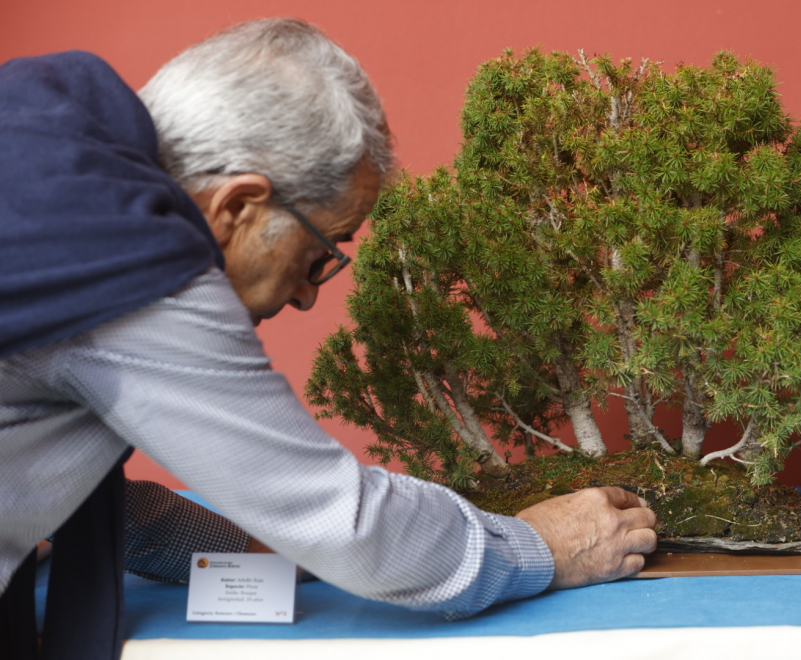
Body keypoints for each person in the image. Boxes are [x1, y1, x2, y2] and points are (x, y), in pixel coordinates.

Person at [0, 17, 657, 659]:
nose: (309, 295)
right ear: (237, 207)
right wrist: (536, 546)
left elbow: (61, 477)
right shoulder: (134, 263)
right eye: (322, 250)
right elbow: (347, 523)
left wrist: (265, 547)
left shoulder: (38, 143)